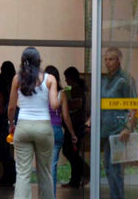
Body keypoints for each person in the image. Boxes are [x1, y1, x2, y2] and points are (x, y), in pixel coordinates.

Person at [8, 47, 60, 199]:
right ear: (39, 61)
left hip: (23, 126)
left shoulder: (17, 79)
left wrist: (11, 123)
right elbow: (54, 104)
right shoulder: (50, 79)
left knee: (23, 173)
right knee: (45, 172)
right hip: (43, 127)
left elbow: (11, 106)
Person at [100, 47, 136, 199]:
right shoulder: (104, 79)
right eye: (106, 59)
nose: (107, 63)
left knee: (115, 170)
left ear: (118, 60)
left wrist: (127, 127)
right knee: (108, 168)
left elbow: (133, 107)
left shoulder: (125, 80)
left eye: (111, 59)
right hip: (105, 130)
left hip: (118, 131)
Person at [44, 65, 77, 198]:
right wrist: (73, 134)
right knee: (52, 164)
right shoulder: (61, 94)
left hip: (42, 129)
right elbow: (66, 117)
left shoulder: (41, 92)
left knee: (43, 165)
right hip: (56, 130)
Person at [61, 66, 90, 189]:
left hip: (75, 126)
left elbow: (77, 104)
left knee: (69, 151)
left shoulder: (77, 89)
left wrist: (65, 106)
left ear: (70, 77)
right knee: (72, 151)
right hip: (75, 125)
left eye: (66, 78)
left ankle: (85, 172)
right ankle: (75, 179)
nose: (66, 81)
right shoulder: (77, 89)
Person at [0, 61, 16, 186]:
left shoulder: (0, 80)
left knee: (0, 148)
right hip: (9, 119)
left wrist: (0, 109)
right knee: (4, 148)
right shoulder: (13, 82)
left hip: (2, 119)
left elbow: (0, 96)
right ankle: (9, 175)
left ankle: (10, 174)